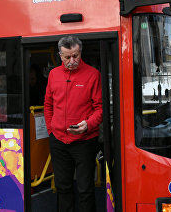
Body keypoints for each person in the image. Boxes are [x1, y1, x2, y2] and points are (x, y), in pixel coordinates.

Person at [44, 36, 103, 212]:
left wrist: (89, 125)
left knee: (85, 189)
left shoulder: (93, 74)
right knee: (63, 188)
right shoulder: (53, 74)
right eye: (67, 57)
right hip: (59, 141)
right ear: (60, 55)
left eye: (75, 56)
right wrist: (51, 130)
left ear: (80, 52)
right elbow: (48, 105)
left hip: (85, 141)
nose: (72, 61)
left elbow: (100, 108)